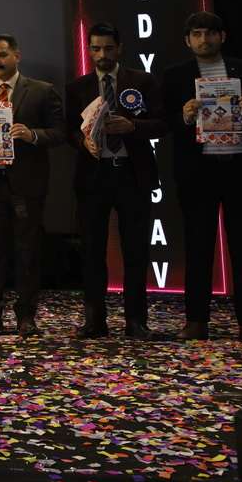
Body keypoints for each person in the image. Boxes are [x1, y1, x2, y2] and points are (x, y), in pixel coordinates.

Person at [161, 11, 242, 343]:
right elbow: (162, 122)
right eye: (197, 34)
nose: (204, 40)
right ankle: (196, 321)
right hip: (198, 172)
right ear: (187, 41)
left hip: (240, 167)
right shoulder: (175, 75)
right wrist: (184, 117)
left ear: (222, 36)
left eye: (210, 33)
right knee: (198, 245)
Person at [0, 34, 64, 336]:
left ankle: (26, 316)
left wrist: (32, 135)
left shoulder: (42, 91)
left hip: (26, 185)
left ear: (17, 56)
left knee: (27, 252)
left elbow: (60, 132)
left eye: (2, 55)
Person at [65, 24, 164, 339]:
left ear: (119, 48)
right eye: (96, 48)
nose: (102, 55)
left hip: (132, 174)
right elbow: (69, 131)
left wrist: (132, 127)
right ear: (89, 50)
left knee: (136, 251)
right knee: (92, 251)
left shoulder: (143, 81)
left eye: (108, 48)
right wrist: (83, 142)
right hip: (93, 176)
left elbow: (163, 123)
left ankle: (136, 321)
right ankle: (95, 321)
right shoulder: (77, 88)